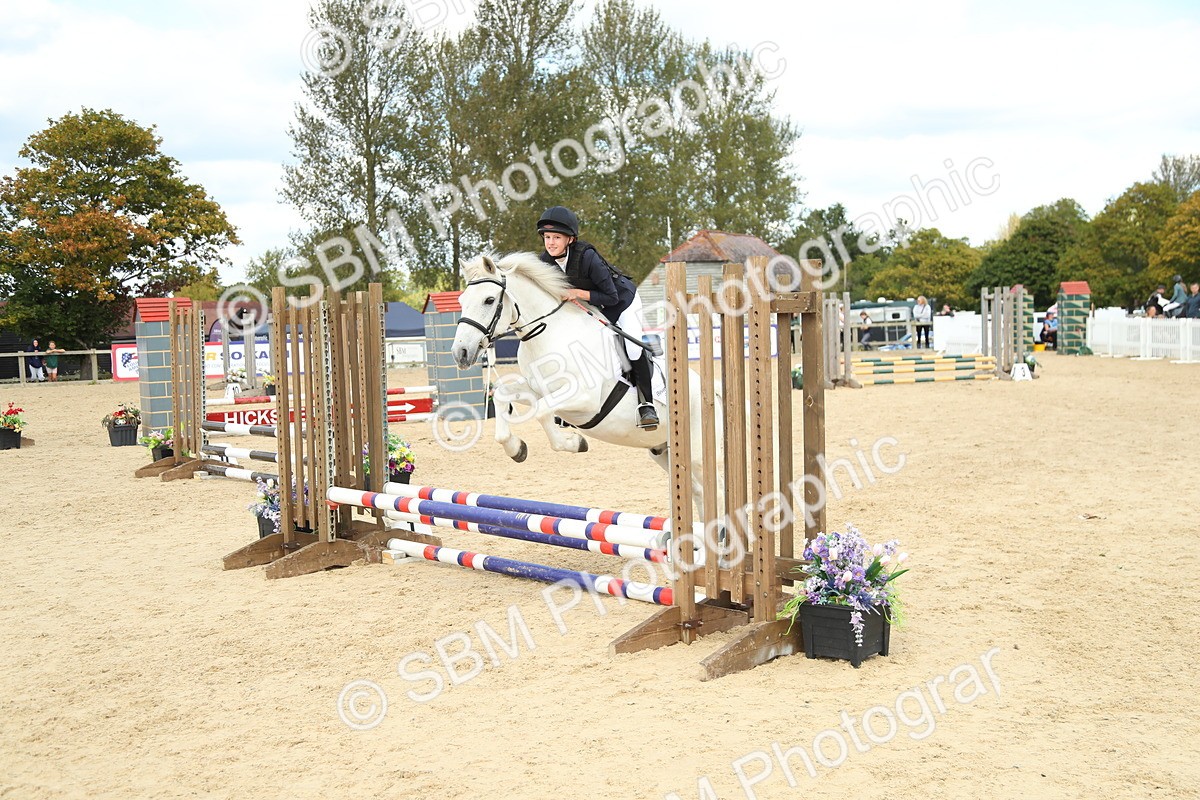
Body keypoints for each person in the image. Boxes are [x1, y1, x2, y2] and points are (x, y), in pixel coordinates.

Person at [536, 206, 658, 430]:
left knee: (631, 348)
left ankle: (646, 404)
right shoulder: (545, 262)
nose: (550, 243)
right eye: (547, 237)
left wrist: (576, 293)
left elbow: (611, 297)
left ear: (570, 239)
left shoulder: (587, 257)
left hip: (622, 301)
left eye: (556, 237)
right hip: (592, 305)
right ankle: (568, 403)